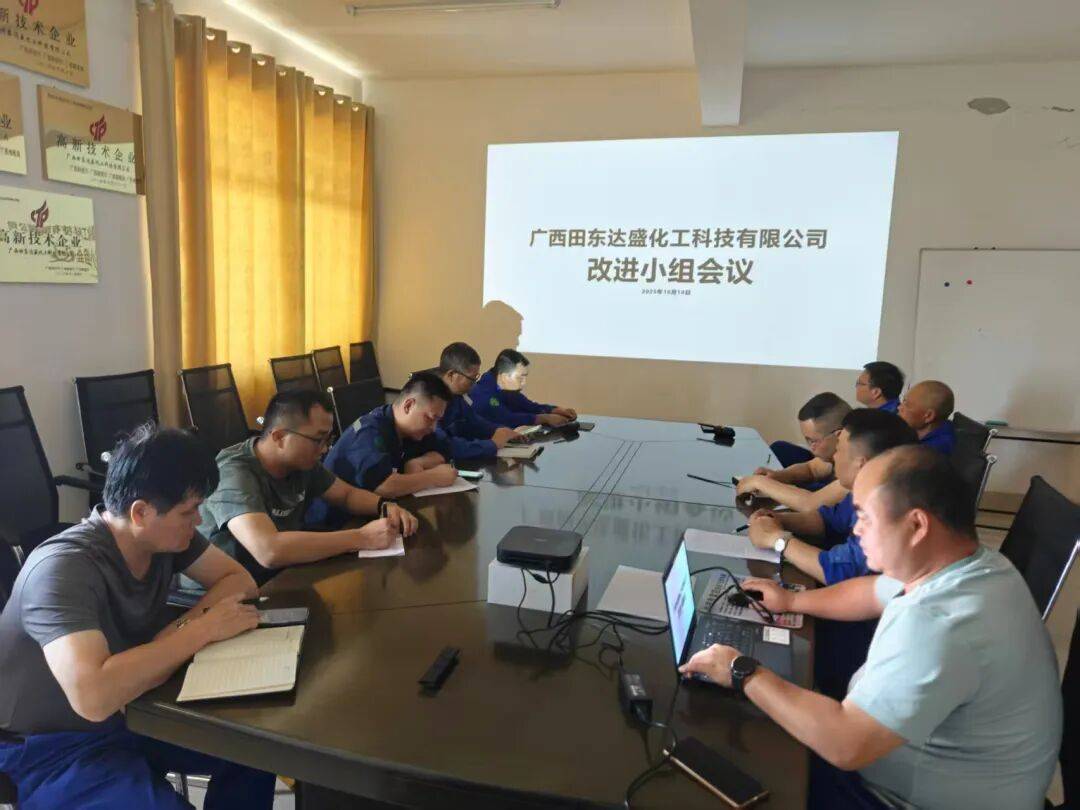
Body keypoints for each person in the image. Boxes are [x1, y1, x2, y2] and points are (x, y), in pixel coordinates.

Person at [682, 446, 1062, 810]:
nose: (857, 530)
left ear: (916, 525)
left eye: (864, 516)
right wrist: (793, 602)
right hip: (936, 777)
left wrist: (741, 670)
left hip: (893, 798)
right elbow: (873, 591)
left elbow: (846, 744)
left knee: (729, 754)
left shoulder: (939, 622)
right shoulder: (977, 565)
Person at [0, 424, 276, 809]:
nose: (198, 521)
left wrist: (178, 633)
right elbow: (93, 697)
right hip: (51, 747)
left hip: (134, 710)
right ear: (141, 512)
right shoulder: (60, 569)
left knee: (260, 750)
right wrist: (200, 630)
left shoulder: (164, 535)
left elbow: (239, 581)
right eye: (189, 511)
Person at [198, 389, 418, 586]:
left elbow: (346, 495)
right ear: (279, 437)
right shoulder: (232, 473)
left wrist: (384, 505)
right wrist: (362, 537)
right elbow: (269, 550)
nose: (324, 449)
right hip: (226, 593)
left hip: (280, 575)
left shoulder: (302, 462)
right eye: (318, 440)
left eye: (328, 439)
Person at [746, 408, 917, 586]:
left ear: (861, 464)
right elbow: (828, 520)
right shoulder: (866, 490)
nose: (834, 457)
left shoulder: (886, 511)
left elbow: (839, 572)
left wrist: (777, 539)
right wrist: (776, 519)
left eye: (839, 450)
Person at [306, 373, 459, 525]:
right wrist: (433, 477)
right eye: (430, 418)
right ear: (408, 406)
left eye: (437, 420)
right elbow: (384, 486)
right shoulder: (369, 432)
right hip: (336, 523)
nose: (433, 427)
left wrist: (418, 462)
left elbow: (445, 448)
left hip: (376, 513)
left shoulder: (408, 429)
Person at [738, 393, 852, 511]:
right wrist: (777, 476)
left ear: (840, 434)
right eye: (807, 440)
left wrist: (760, 483)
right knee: (780, 448)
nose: (811, 447)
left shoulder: (857, 466)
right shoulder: (840, 453)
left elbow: (810, 504)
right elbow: (812, 469)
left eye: (813, 441)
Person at [433, 342, 522, 459]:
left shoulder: (457, 396)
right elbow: (445, 445)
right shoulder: (429, 400)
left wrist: (500, 430)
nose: (474, 384)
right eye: (471, 379)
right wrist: (492, 444)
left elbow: (474, 422)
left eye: (476, 378)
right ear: (451, 375)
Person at [470, 348, 577, 428]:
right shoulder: (485, 394)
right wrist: (544, 418)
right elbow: (508, 419)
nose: (523, 383)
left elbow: (527, 405)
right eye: (519, 378)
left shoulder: (503, 387)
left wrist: (556, 410)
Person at [899, 380, 957, 454]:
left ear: (928, 416)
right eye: (903, 401)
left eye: (907, 405)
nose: (899, 407)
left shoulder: (931, 451)